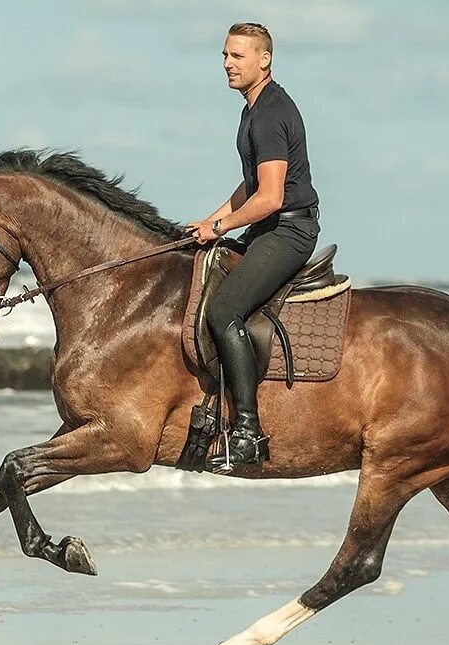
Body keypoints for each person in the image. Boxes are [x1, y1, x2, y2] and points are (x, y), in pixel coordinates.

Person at [186, 21, 321, 472]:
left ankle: (247, 432)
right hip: (269, 226)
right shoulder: (253, 107)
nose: (227, 63)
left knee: (223, 312)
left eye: (237, 56)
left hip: (288, 231)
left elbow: (271, 197)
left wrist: (221, 226)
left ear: (264, 59)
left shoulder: (268, 112)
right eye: (224, 55)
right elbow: (252, 186)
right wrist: (210, 221)